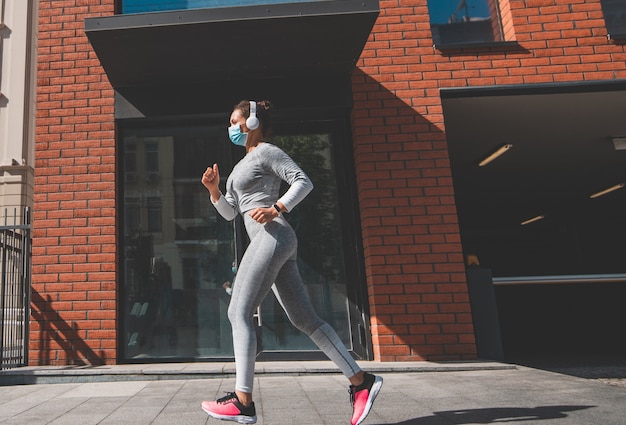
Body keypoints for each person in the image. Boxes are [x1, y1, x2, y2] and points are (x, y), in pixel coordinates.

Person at [200, 100, 382, 425]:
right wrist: (215, 190)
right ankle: (360, 381)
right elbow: (231, 213)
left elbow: (303, 181)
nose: (230, 128)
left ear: (253, 120)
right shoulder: (240, 166)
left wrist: (276, 208)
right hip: (269, 241)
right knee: (305, 319)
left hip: (273, 234)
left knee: (237, 311)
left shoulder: (266, 151)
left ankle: (243, 401)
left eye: (234, 121)